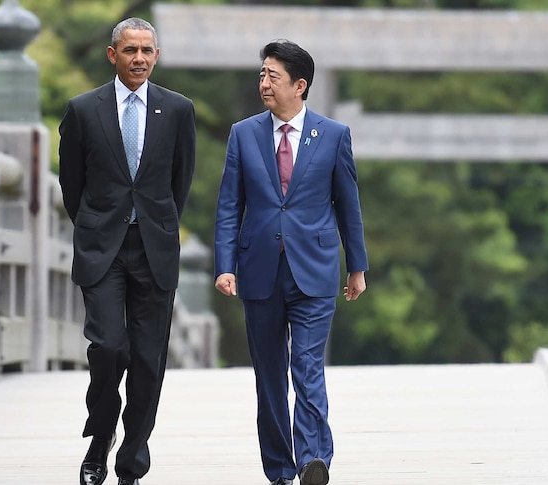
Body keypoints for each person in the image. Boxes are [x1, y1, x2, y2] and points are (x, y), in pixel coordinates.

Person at [214, 39, 368, 485]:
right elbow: (229, 205)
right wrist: (225, 265)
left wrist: (356, 267)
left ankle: (314, 459)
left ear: (299, 85)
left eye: (272, 76)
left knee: (307, 366)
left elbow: (348, 205)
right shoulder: (243, 134)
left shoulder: (333, 135)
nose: (263, 82)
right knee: (269, 377)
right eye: (261, 74)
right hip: (259, 270)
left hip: (315, 271)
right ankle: (280, 469)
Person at [58, 17, 196, 485]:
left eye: (147, 51)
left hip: (154, 247)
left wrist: (155, 224)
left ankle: (131, 461)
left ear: (156, 56)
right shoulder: (82, 110)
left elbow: (180, 183)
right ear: (112, 55)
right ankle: (100, 438)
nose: (139, 58)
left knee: (147, 361)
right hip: (103, 248)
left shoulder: (178, 110)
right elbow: (71, 184)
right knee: (108, 347)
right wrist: (99, 225)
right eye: (130, 50)